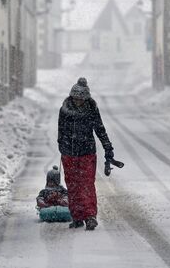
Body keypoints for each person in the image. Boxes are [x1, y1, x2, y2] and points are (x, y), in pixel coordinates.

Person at [58, 77, 117, 231]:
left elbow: (100, 129)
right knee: (72, 185)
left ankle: (90, 216)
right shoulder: (64, 110)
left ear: (86, 98)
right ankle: (77, 217)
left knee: (86, 184)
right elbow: (61, 130)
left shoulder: (91, 110)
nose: (78, 101)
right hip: (69, 153)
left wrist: (108, 147)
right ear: (72, 96)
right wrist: (62, 145)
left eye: (81, 99)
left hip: (87, 153)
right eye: (76, 98)